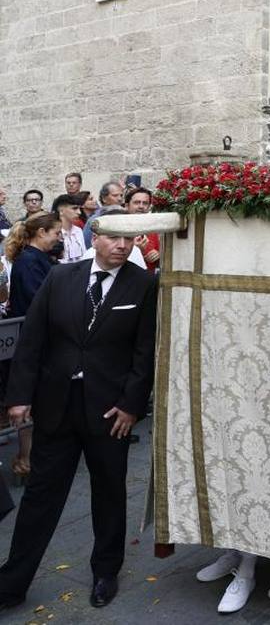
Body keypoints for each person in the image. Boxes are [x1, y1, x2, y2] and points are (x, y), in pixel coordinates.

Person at [0, 211, 158, 612]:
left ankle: (105, 572)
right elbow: (32, 339)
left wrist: (131, 406)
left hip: (110, 414)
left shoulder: (143, 285)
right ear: (95, 237)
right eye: (114, 239)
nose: (123, 246)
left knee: (109, 493)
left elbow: (145, 353)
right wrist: (19, 396)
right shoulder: (60, 278)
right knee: (40, 497)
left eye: (130, 239)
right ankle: (12, 582)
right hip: (57, 408)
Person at [3, 213, 62, 479]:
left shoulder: (36, 259)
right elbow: (39, 298)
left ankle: (30, 456)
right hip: (32, 338)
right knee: (27, 398)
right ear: (41, 232)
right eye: (56, 233)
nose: (59, 237)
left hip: (38, 336)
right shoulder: (29, 261)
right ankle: (25, 458)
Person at [125, 188, 160, 271]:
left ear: (148, 207)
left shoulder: (153, 229)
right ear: (127, 206)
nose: (141, 206)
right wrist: (135, 250)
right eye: (136, 202)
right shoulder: (118, 228)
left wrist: (158, 255)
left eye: (145, 203)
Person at [82, 181, 125, 249]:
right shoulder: (95, 220)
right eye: (115, 195)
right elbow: (87, 245)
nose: (120, 199)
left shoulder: (124, 217)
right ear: (104, 199)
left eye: (121, 195)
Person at [51, 194, 86, 264]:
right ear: (61, 211)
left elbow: (84, 257)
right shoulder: (52, 233)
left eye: (79, 209)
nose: (79, 212)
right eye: (74, 208)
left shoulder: (78, 231)